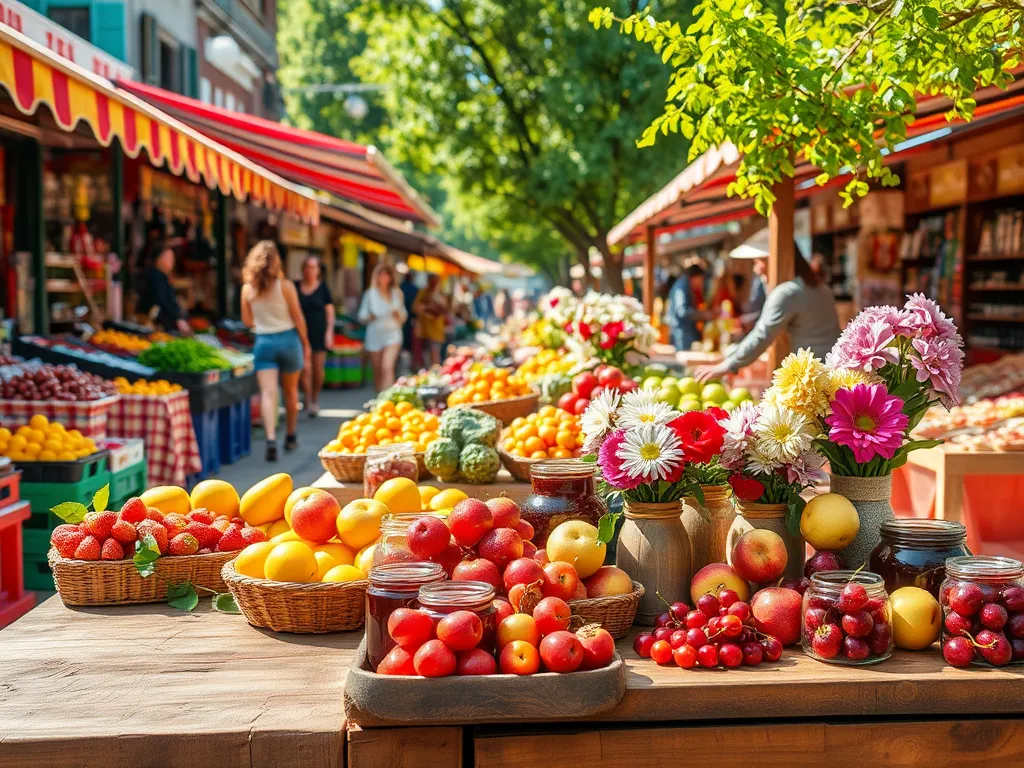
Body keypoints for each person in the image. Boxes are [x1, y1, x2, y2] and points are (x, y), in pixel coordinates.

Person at [694, 248, 841, 383]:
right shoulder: (819, 286)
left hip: (816, 377)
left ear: (773, 260)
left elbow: (762, 334)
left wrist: (727, 365)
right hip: (832, 369)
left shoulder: (787, 292)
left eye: (758, 262)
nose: (756, 269)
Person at [241, 241, 311, 462]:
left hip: (263, 342)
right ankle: (290, 436)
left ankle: (271, 438)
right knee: (290, 392)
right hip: (288, 339)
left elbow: (247, 321)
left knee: (268, 393)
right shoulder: (286, 286)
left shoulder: (247, 289)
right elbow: (299, 318)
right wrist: (306, 344)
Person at [295, 256, 335, 418]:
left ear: (318, 270)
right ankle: (308, 398)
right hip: (299, 333)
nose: (311, 270)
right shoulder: (295, 286)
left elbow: (330, 313)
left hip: (319, 332)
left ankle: (315, 397)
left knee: (318, 369)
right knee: (305, 368)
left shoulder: (323, 288)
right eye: (308, 267)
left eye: (314, 267)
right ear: (303, 269)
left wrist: (329, 332)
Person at [359, 263, 407, 391]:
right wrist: (370, 317)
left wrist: (398, 315)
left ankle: (387, 397)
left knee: (387, 366)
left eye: (386, 275)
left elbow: (404, 316)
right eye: (381, 275)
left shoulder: (397, 293)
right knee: (377, 369)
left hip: (393, 334)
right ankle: (379, 396)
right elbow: (362, 316)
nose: (384, 278)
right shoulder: (370, 294)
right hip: (375, 335)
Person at [141, 242, 191, 335]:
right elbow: (162, 301)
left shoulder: (161, 276)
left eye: (172, 258)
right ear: (159, 259)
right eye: (168, 258)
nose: (172, 261)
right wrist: (178, 318)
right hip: (162, 327)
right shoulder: (156, 276)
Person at [666, 263, 708, 352]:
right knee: (683, 360)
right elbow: (682, 311)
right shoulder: (681, 287)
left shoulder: (684, 285)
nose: (700, 283)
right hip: (682, 332)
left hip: (685, 331)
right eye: (700, 280)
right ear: (695, 277)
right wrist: (704, 315)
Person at [413, 273, 448, 367]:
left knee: (435, 355)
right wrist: (426, 309)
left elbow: (445, 309)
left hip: (436, 331)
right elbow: (416, 307)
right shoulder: (423, 292)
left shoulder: (441, 294)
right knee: (425, 356)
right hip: (424, 330)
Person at [399, 268, 421, 370]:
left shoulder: (405, 288)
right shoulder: (400, 288)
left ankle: (411, 365)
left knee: (410, 344)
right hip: (403, 321)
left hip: (407, 320)